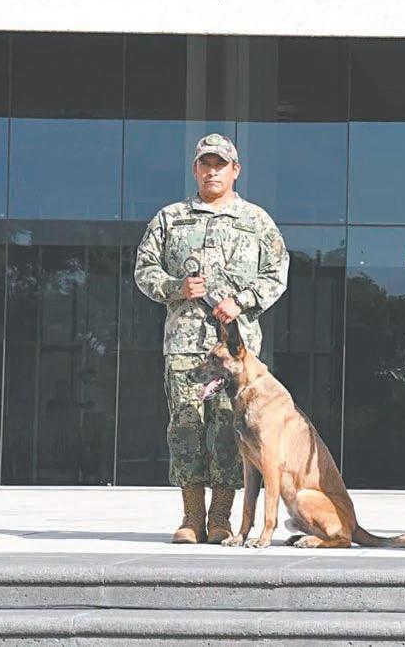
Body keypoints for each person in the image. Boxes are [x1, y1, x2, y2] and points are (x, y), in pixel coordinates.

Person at [135, 133, 289, 544]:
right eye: (206, 164)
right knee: (185, 426)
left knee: (229, 429)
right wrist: (176, 288)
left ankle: (221, 517)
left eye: (221, 164)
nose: (212, 171)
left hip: (236, 352)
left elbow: (277, 274)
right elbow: (144, 271)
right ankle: (191, 518)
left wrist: (242, 301)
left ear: (235, 170)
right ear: (195, 169)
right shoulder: (170, 218)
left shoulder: (256, 221)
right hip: (186, 345)